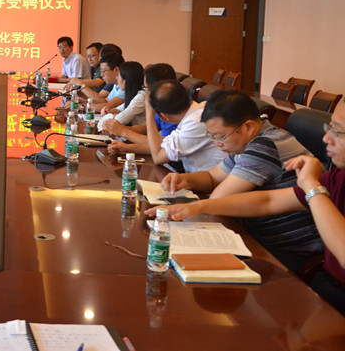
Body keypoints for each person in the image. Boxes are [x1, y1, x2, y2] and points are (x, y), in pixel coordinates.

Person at [148, 102, 345, 314]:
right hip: (323, 281)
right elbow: (268, 200)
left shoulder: (267, 145)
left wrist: (311, 185)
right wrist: (197, 206)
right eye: (329, 128)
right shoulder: (337, 176)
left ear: (248, 127)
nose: (326, 138)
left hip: (297, 259)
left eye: (337, 131)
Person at [157, 89, 321, 270]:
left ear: (248, 127)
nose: (217, 144)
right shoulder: (249, 141)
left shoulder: (265, 146)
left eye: (221, 136)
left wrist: (196, 204)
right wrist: (185, 180)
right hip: (259, 237)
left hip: (286, 250)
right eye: (212, 137)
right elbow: (212, 177)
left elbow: (218, 200)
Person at [142, 79, 226, 172]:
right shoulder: (198, 110)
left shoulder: (194, 123)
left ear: (165, 116)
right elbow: (162, 146)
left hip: (212, 179)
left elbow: (158, 157)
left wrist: (149, 113)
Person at [106, 63, 180, 156]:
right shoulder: (163, 104)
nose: (145, 91)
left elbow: (161, 144)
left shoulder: (174, 110)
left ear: (156, 88)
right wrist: (123, 131)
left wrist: (124, 132)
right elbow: (147, 128)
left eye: (145, 87)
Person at [99, 61, 147, 128]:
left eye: (118, 76)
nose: (116, 78)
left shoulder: (141, 97)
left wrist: (108, 115)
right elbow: (121, 108)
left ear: (126, 80)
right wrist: (109, 111)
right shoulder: (133, 93)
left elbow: (120, 119)